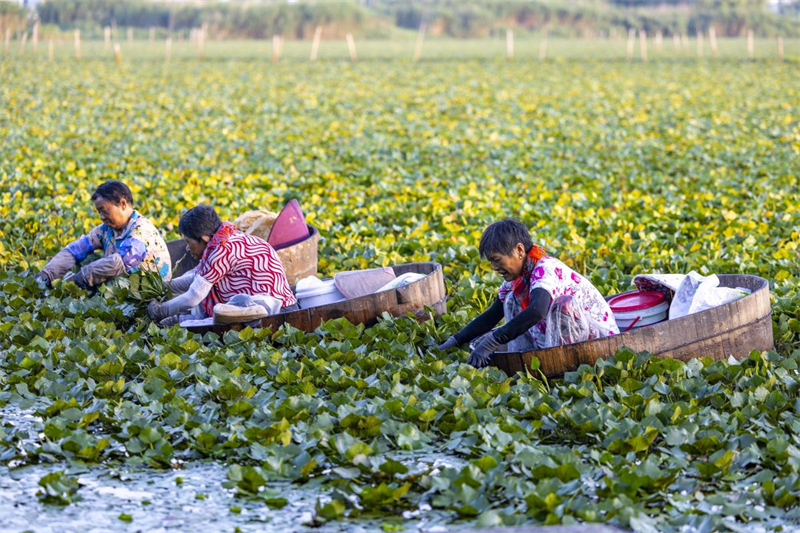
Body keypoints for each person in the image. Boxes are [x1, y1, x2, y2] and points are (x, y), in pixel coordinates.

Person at [437, 219, 619, 368]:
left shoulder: (545, 269)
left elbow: (537, 311)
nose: (494, 267)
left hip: (597, 342)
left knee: (564, 304)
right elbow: (493, 315)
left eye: (497, 260)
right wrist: (456, 340)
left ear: (519, 250)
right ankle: (525, 364)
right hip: (561, 340)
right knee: (509, 301)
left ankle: (562, 366)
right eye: (491, 262)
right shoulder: (516, 279)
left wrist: (493, 341)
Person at [147, 205, 298, 325]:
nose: (187, 248)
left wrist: (161, 311)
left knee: (204, 316)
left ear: (204, 238)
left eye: (189, 242)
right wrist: (164, 286)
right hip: (275, 306)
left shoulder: (222, 250)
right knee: (189, 318)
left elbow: (194, 296)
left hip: (277, 312)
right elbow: (197, 277)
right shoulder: (226, 237)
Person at [35, 180, 171, 289]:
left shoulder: (142, 230)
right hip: (123, 285)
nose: (101, 216)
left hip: (146, 291)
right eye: (99, 212)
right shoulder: (106, 229)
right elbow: (76, 249)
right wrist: (48, 274)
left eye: (104, 211)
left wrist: (80, 277)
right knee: (86, 258)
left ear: (122, 204)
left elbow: (119, 263)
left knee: (103, 277)